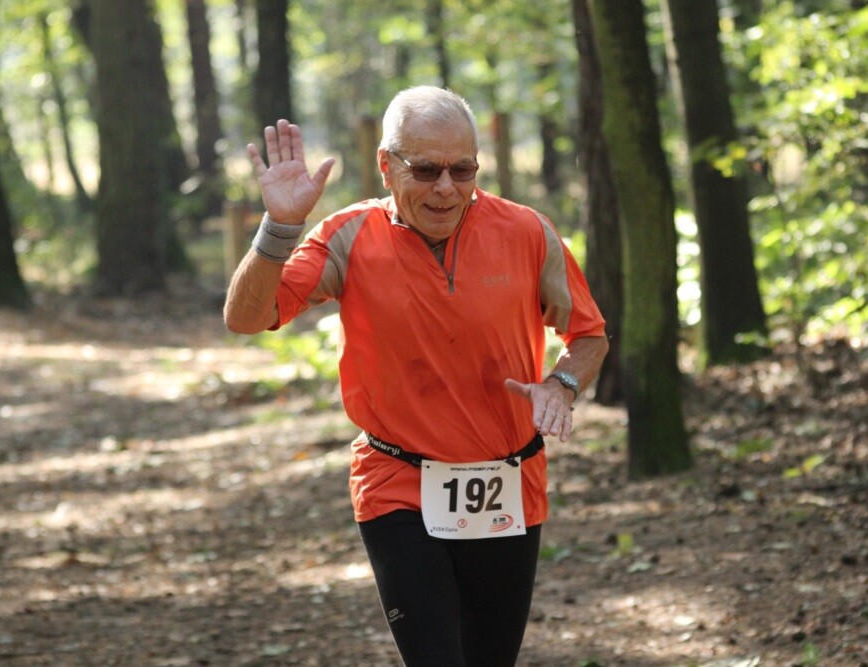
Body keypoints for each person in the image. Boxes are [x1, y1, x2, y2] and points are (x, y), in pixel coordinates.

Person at [224, 86, 608, 667]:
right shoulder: (348, 237)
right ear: (386, 165)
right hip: (397, 480)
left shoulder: (527, 232)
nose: (446, 188)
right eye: (426, 170)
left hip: (507, 478)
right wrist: (279, 227)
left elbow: (589, 335)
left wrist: (563, 384)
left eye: (463, 169)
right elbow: (247, 317)